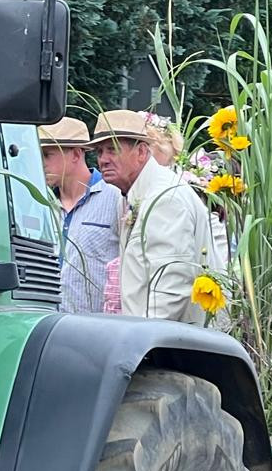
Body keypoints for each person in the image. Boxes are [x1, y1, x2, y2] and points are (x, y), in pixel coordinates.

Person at [90, 109, 222, 323]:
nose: (103, 159)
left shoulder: (164, 197)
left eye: (112, 149)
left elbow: (171, 287)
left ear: (142, 152)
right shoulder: (132, 195)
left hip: (168, 343)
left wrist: (140, 341)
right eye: (99, 151)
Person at [40, 116, 118, 313]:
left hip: (94, 329)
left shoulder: (116, 197)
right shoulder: (40, 203)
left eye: (46, 155)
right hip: (43, 323)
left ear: (75, 154)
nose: (40, 163)